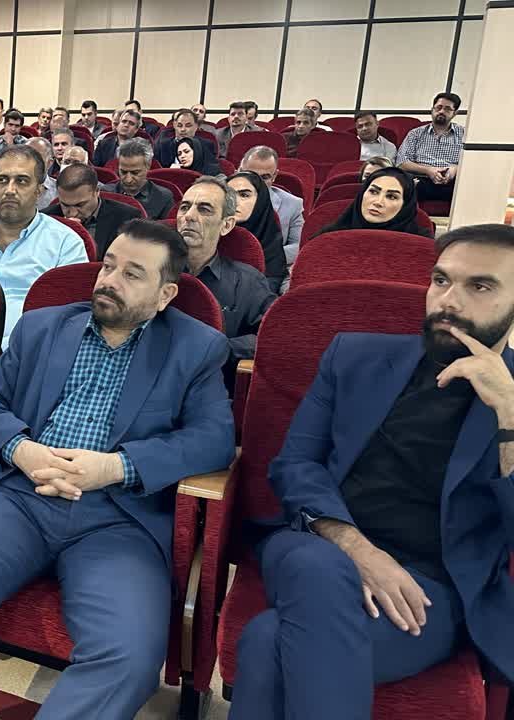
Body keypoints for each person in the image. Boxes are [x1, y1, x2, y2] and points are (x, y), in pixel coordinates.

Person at [0, 215, 236, 720]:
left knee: (129, 657)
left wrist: (117, 467)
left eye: (132, 274)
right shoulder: (42, 327)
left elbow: (214, 439)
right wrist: (21, 449)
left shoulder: (196, 348)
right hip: (20, 495)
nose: (109, 280)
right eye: (108, 265)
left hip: (118, 518)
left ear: (165, 295)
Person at [228, 223, 514, 719]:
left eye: (480, 286)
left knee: (268, 641)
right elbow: (295, 464)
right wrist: (359, 549)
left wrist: (510, 413)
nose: (449, 300)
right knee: (317, 570)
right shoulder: (354, 356)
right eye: (441, 280)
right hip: (317, 543)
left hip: (430, 592)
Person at [0, 145, 88, 348]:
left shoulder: (66, 243)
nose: (10, 190)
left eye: (21, 181)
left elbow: (71, 321)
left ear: (39, 190)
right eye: (3, 180)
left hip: (33, 353)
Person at [177, 176, 276, 383]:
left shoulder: (248, 281)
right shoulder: (151, 269)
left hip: (212, 382)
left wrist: (220, 348)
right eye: (184, 207)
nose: (189, 216)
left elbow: (272, 334)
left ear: (226, 224)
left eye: (204, 209)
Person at [43, 163, 142, 256]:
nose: (73, 213)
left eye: (80, 205)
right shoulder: (46, 219)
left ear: (97, 192)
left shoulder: (126, 218)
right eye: (65, 205)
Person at [318, 167, 430, 238]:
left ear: (405, 205)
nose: (378, 202)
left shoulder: (421, 243)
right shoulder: (328, 236)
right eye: (373, 192)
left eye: (391, 196)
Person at [240, 146, 304, 267]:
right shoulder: (222, 198)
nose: (258, 182)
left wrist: (259, 257)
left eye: (265, 177)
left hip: (270, 268)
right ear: (240, 171)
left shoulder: (293, 204)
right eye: (252, 175)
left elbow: (298, 246)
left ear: (274, 176)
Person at [396, 92, 465, 205]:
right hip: (421, 179)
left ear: (455, 113)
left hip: (453, 182)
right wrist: (429, 171)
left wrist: (455, 169)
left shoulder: (464, 134)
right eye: (438, 107)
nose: (441, 111)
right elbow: (402, 162)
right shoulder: (416, 133)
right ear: (432, 109)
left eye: (447, 109)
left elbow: (471, 162)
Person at [227, 171, 288, 291]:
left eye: (244, 195)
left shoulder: (270, 242)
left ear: (260, 201)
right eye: (228, 195)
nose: (234, 201)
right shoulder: (208, 234)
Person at [104, 138, 174, 221]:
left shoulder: (163, 197)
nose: (128, 179)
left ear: (148, 166)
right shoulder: (105, 193)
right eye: (123, 172)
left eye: (135, 173)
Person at [156, 109, 219, 174]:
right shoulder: (163, 145)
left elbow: (213, 171)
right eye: (179, 125)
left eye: (188, 125)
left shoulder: (206, 145)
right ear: (174, 125)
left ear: (196, 126)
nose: (183, 129)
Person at [26, 138, 58, 211]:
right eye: (26, 156)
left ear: (49, 163)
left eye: (37, 157)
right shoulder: (10, 188)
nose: (30, 161)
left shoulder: (59, 191)